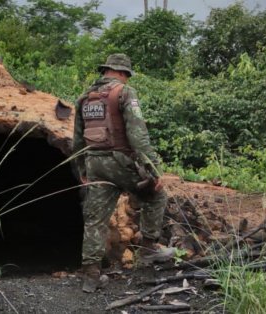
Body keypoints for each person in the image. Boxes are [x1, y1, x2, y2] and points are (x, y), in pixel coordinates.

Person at [73, 53, 174, 293]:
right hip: (120, 161)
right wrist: (153, 168)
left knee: (95, 219)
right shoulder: (125, 93)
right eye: (126, 75)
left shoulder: (84, 98)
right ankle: (149, 249)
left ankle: (91, 276)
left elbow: (77, 139)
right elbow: (137, 135)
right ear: (120, 72)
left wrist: (81, 169)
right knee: (156, 196)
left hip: (95, 164)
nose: (126, 79)